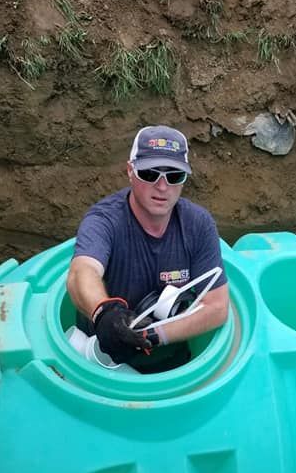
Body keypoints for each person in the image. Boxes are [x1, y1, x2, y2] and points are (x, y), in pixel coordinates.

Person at [67, 125, 229, 372]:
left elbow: (217, 307)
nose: (162, 187)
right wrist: (104, 314)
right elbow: (82, 272)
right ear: (130, 171)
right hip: (101, 358)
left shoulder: (198, 224)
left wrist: (151, 336)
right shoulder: (104, 221)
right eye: (149, 173)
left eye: (174, 176)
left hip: (169, 362)